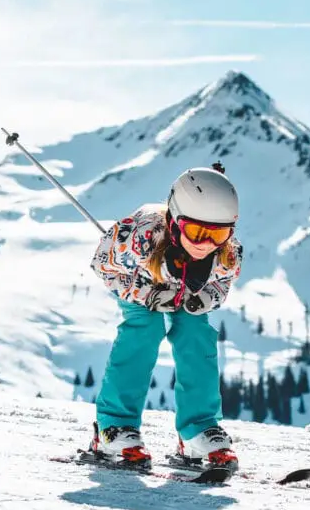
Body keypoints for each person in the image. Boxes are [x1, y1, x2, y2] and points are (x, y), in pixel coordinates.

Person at [88, 162, 242, 471]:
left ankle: (197, 431)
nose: (207, 244)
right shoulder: (139, 237)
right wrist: (146, 295)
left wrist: (203, 299)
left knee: (195, 333)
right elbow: (103, 266)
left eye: (219, 233)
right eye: (197, 232)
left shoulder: (226, 254)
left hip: (186, 292)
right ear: (174, 221)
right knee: (144, 329)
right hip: (140, 282)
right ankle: (113, 429)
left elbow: (222, 284)